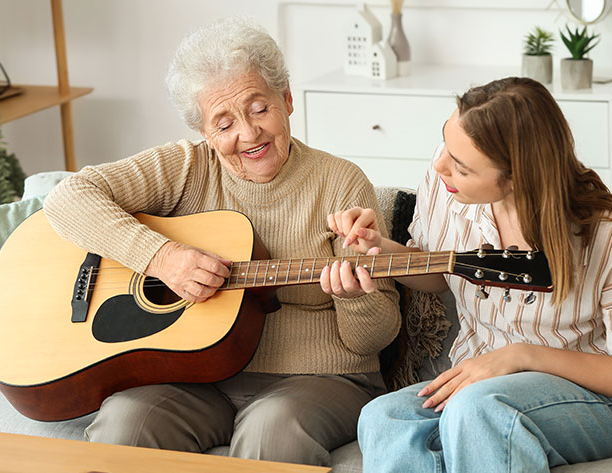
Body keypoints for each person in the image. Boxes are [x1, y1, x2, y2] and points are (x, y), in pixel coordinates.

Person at [43, 17, 400, 466]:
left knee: (272, 429)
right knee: (123, 423)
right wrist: (161, 257)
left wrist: (355, 299)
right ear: (205, 135)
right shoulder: (187, 168)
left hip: (321, 380)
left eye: (259, 108)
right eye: (224, 122)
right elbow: (66, 198)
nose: (248, 135)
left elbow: (376, 339)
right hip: (196, 376)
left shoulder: (340, 181)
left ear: (287, 101)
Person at [324, 77, 612, 472]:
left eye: (461, 167)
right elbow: (440, 275)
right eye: (445, 146)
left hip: (602, 400)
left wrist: (521, 356)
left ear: (515, 178)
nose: (440, 166)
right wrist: (378, 248)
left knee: (476, 411)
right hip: (480, 385)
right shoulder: (449, 191)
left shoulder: (607, 235)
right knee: (383, 418)